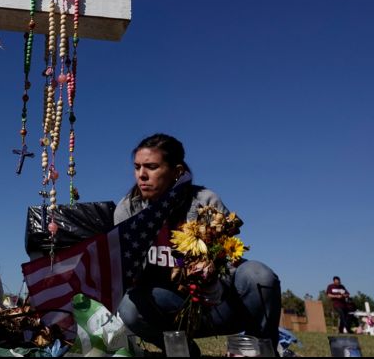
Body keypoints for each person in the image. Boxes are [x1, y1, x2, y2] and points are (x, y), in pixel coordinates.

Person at [114, 134, 282, 355]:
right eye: (137, 167)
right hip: (170, 309)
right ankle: (180, 349)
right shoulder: (128, 210)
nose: (141, 175)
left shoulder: (205, 201)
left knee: (258, 275)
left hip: (219, 305)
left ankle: (259, 349)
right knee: (129, 306)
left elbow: (230, 258)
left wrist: (211, 281)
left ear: (177, 171)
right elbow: (122, 272)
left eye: (151, 167)